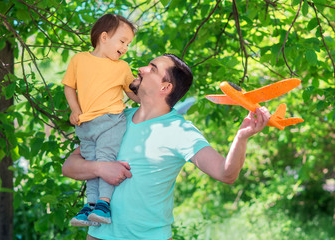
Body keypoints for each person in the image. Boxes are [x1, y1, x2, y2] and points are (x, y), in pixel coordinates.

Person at [62, 53, 271, 239]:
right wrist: (100, 168)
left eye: (152, 69)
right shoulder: (115, 119)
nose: (141, 69)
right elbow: (69, 166)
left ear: (165, 87)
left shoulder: (180, 131)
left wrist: (241, 138)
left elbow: (226, 174)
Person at [62, 13, 140, 227]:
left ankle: (103, 204)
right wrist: (75, 110)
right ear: (104, 37)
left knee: (105, 159)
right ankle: (90, 206)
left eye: (128, 44)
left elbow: (132, 92)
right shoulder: (79, 60)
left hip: (111, 121)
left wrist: (147, 99)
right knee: (91, 164)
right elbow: (69, 87)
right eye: (122, 41)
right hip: (86, 125)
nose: (125, 48)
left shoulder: (122, 67)